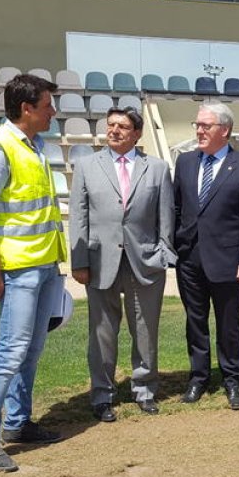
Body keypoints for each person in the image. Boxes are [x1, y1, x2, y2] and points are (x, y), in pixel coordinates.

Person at [0, 74, 67, 473]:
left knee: (31, 350)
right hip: (19, 270)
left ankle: (18, 424)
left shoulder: (36, 146)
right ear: (27, 108)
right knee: (9, 353)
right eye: (47, 106)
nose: (53, 112)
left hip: (44, 267)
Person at [69, 106, 175, 424]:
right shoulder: (87, 166)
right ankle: (102, 395)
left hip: (145, 263)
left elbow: (166, 216)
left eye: (123, 126)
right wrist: (79, 261)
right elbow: (79, 216)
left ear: (137, 133)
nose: (114, 130)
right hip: (100, 263)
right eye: (111, 125)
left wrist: (163, 254)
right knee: (102, 333)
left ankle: (144, 390)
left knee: (145, 330)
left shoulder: (156, 168)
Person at [173, 102, 239, 410]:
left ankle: (232, 379)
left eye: (205, 125)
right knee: (195, 322)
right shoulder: (184, 163)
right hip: (189, 259)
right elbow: (177, 208)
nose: (199, 130)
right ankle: (199, 378)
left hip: (228, 261)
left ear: (224, 130)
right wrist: (176, 246)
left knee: (229, 323)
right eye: (197, 125)